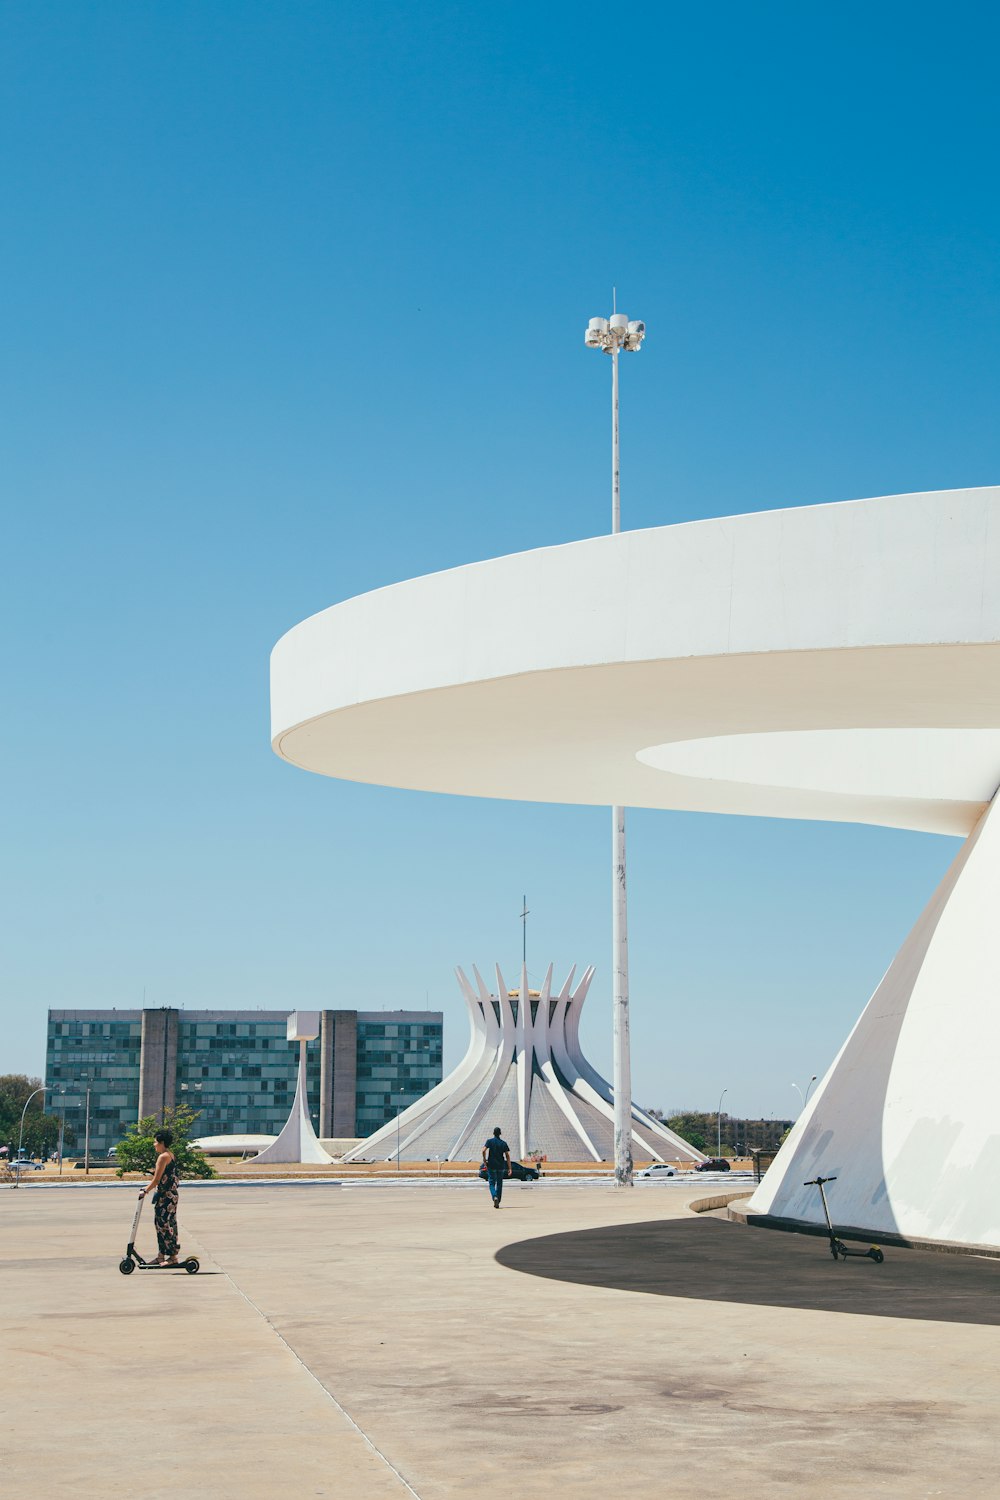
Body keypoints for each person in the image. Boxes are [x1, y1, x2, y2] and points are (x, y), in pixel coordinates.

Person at [140, 1128, 180, 1265]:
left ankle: (172, 1257)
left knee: (163, 1224)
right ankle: (161, 1256)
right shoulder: (170, 1154)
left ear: (162, 1142)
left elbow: (156, 1180)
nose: (154, 1144)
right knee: (167, 1223)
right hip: (171, 1195)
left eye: (155, 1142)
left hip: (166, 1196)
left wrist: (145, 1190)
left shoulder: (163, 1157)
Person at [482, 1126, 510, 1208]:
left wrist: (484, 1160)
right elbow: (507, 1156)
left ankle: (494, 1196)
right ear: (500, 1133)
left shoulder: (489, 1141)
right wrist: (510, 1168)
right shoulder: (503, 1143)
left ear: (493, 1133)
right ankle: (498, 1199)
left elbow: (483, 1150)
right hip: (501, 1166)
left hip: (491, 1165)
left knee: (491, 1183)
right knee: (499, 1183)